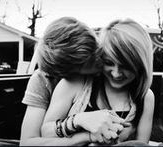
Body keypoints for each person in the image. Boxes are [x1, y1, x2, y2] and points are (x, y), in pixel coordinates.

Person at [0, 17, 102, 146]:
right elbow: (29, 142)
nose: (99, 59)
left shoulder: (111, 64)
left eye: (97, 49)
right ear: (68, 71)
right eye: (88, 61)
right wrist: (82, 138)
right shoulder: (43, 78)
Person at [40, 18, 155, 146]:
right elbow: (46, 131)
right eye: (109, 63)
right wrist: (78, 120)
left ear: (141, 65)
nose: (116, 73)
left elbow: (141, 144)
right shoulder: (77, 83)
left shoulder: (146, 98)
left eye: (126, 66)